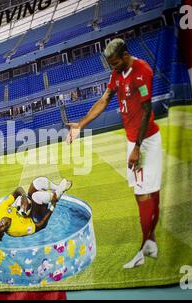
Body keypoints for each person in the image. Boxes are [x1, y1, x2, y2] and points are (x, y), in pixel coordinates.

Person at [66, 38, 162, 269]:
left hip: (145, 141)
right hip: (134, 141)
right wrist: (81, 124)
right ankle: (151, 240)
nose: (112, 67)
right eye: (110, 64)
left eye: (115, 62)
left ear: (126, 55)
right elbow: (104, 99)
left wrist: (138, 148)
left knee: (143, 193)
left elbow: (147, 109)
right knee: (146, 191)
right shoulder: (118, 74)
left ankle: (143, 247)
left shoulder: (142, 71)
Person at [0, 177, 72, 241]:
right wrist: (52, 207)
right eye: (2, 228)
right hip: (36, 219)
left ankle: (58, 188)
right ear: (4, 232)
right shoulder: (16, 230)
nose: (1, 224)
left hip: (28, 207)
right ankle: (58, 193)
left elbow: (17, 190)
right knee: (36, 197)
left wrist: (24, 196)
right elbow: (41, 226)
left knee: (37, 182)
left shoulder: (1, 209)